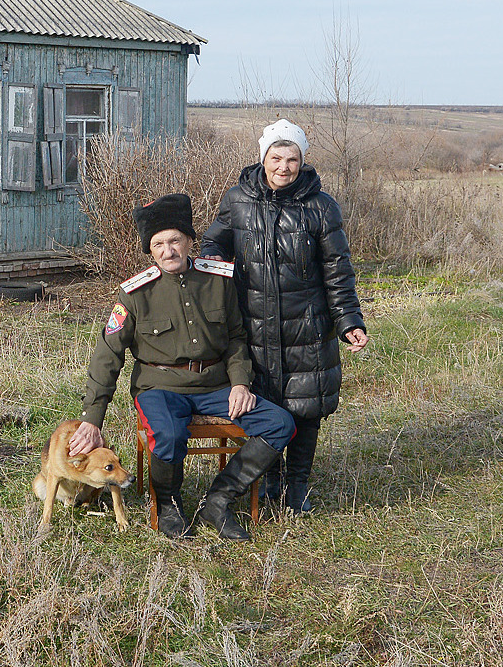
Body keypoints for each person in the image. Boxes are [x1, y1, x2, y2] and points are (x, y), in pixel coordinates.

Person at [69, 193, 295, 540]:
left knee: (279, 423)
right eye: (158, 244)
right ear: (150, 250)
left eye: (175, 240)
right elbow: (107, 354)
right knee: (170, 435)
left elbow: (236, 337)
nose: (167, 251)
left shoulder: (218, 280)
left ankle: (219, 500)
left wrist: (240, 383)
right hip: (159, 388)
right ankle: (169, 503)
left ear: (190, 241)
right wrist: (92, 418)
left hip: (216, 386)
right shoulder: (134, 294)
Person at [200, 119, 368, 515]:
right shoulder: (238, 199)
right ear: (263, 159)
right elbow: (214, 241)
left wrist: (350, 321)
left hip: (307, 326)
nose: (284, 166)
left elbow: (337, 270)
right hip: (254, 324)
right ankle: (270, 482)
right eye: (276, 157)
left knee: (307, 408)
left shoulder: (321, 207)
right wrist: (212, 265)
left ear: (301, 161)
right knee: (267, 404)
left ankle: (298, 488)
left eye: (292, 158)